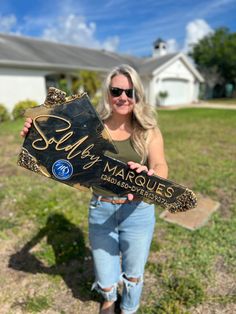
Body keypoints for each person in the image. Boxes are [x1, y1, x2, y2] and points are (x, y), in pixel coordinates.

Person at [21, 64, 168, 314]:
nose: (123, 97)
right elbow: (61, 152)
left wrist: (152, 176)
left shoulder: (148, 130)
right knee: (104, 266)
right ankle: (109, 301)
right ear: (108, 93)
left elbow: (160, 164)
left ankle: (130, 307)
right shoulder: (91, 126)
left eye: (130, 92)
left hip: (138, 211)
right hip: (101, 208)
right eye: (116, 90)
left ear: (138, 96)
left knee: (133, 271)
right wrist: (36, 137)